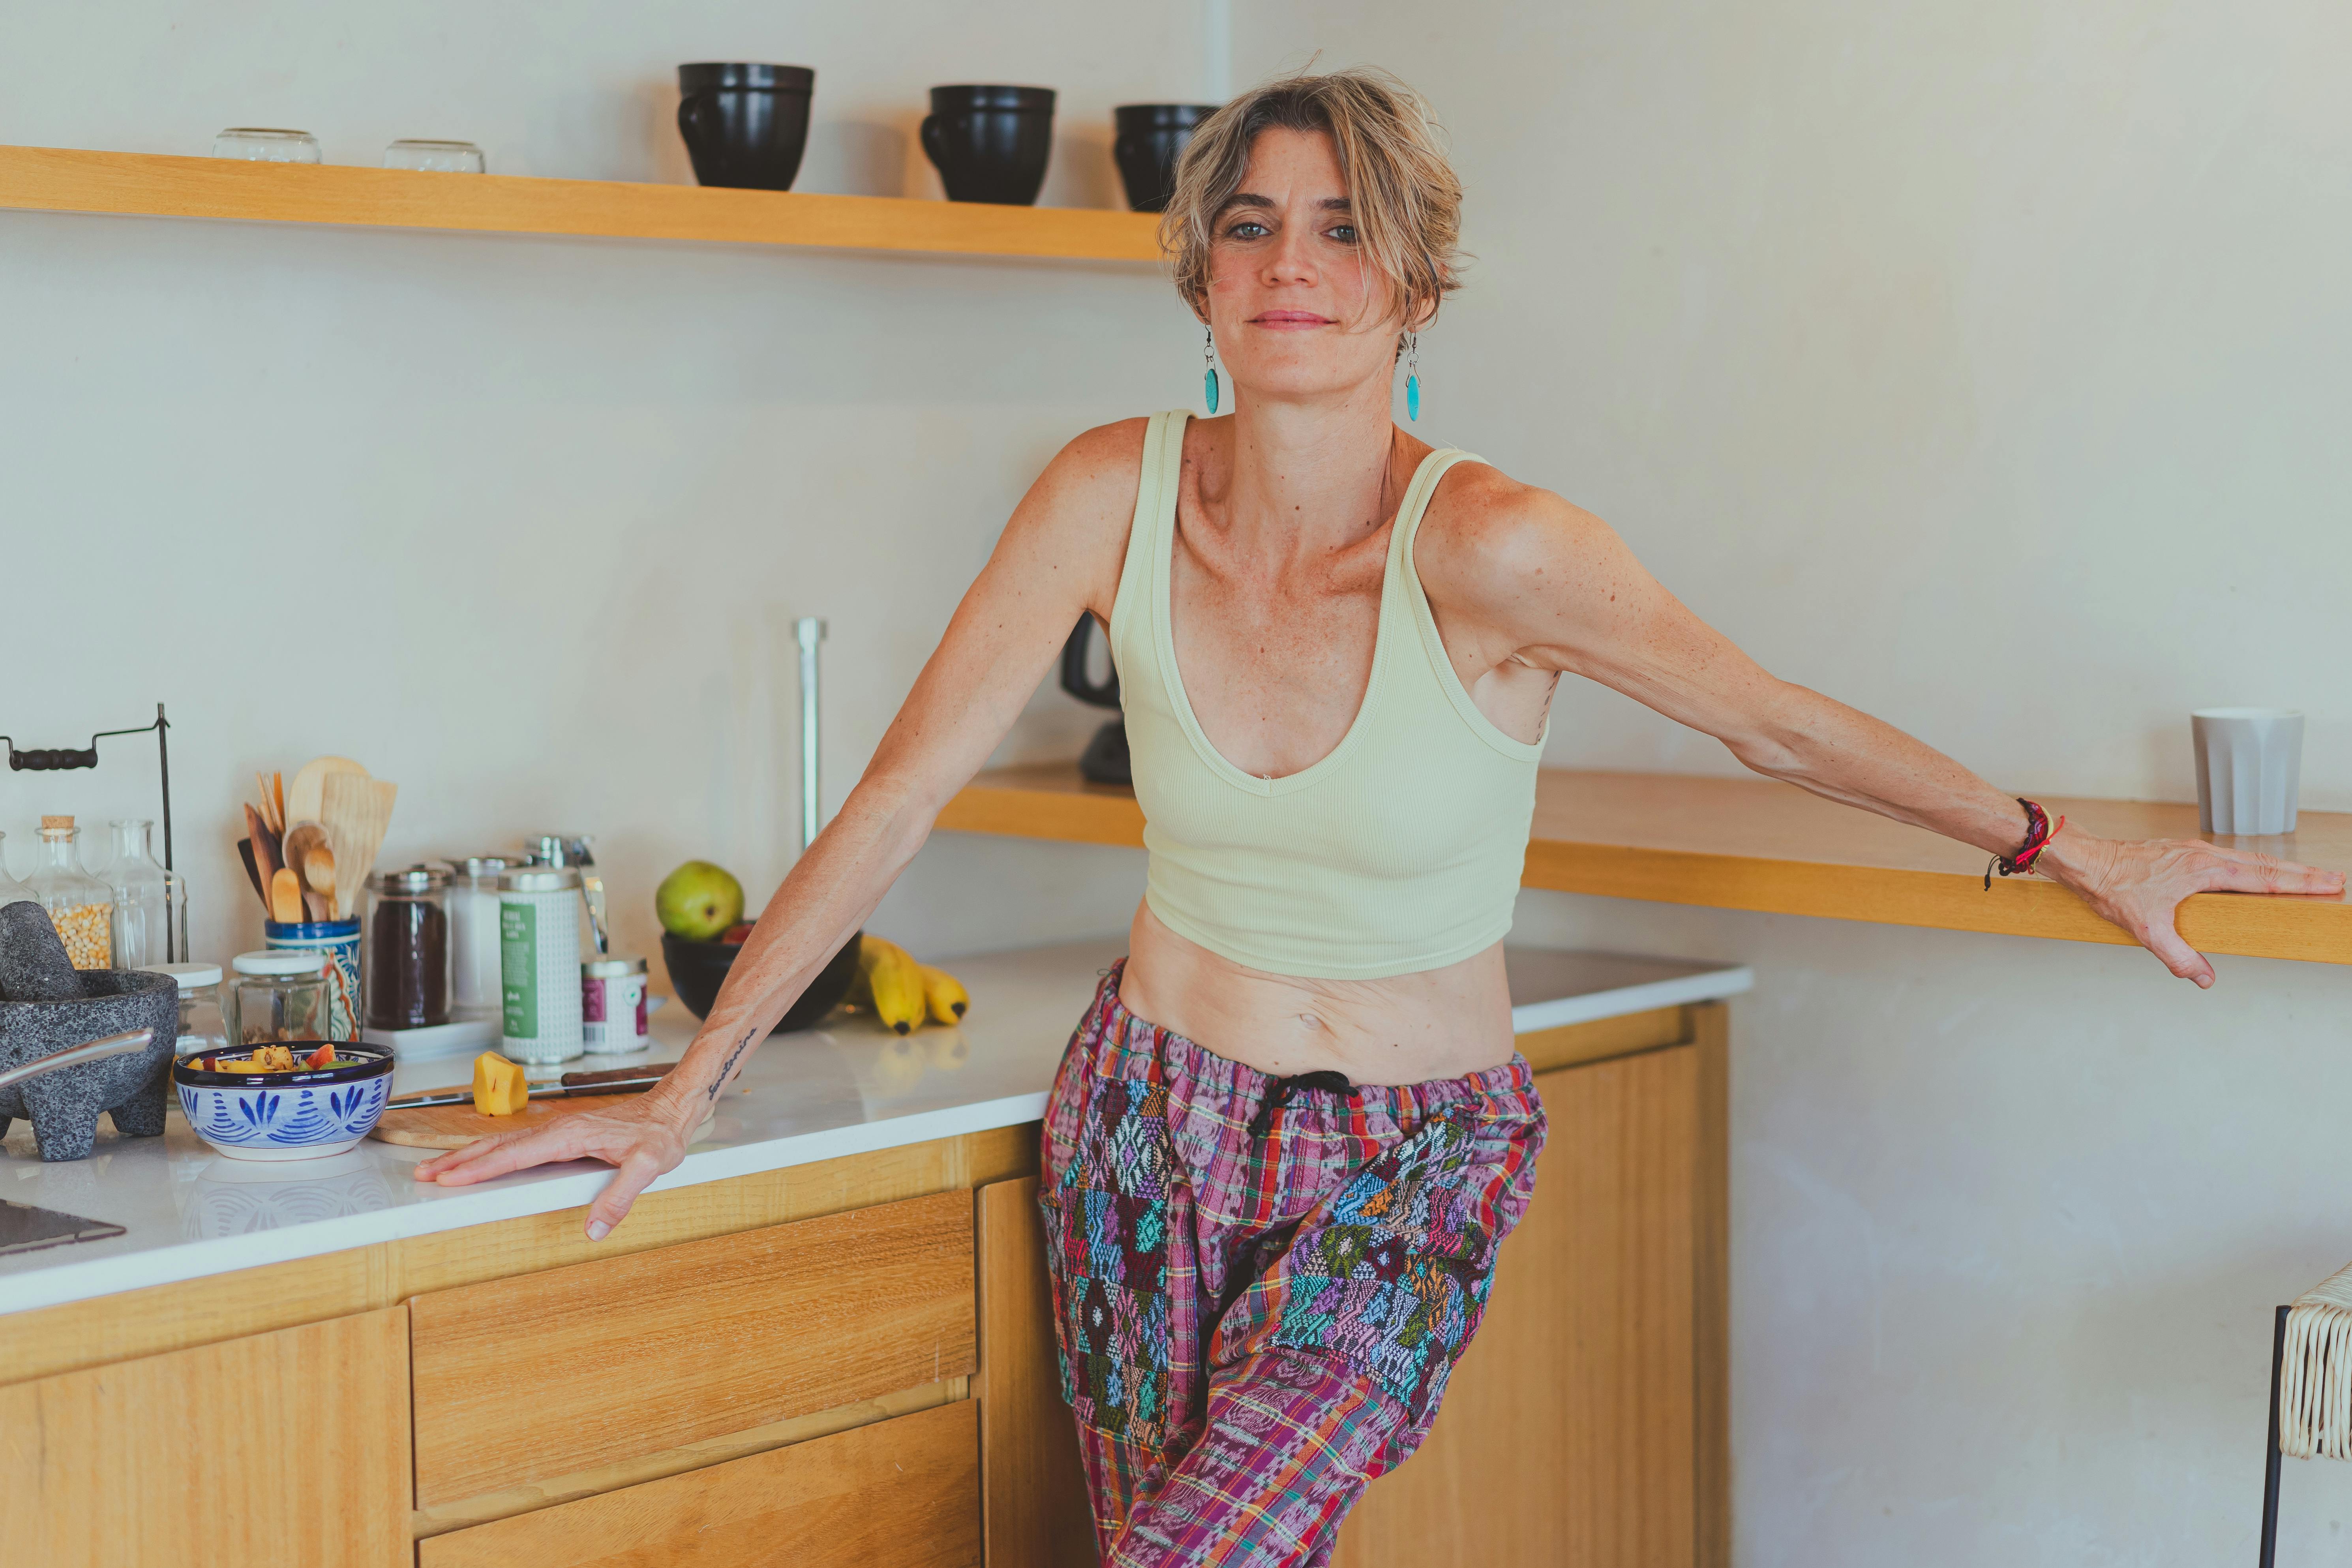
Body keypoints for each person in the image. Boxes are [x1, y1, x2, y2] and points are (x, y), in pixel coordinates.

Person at [415, 66, 2342, 1566]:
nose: (1288, 266)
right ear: (1196, 275)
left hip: (1408, 1164)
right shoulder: (1109, 490)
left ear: (1413, 283)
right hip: (1141, 1128)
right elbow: (898, 793)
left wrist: (2061, 845)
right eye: (1245, 227)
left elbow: (1763, 719)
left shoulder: (1495, 546)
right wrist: (686, 1088)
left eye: (1341, 232)